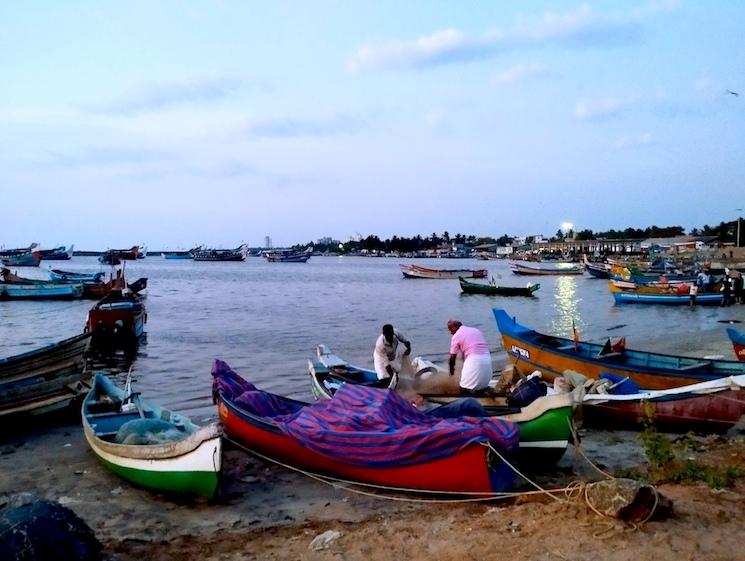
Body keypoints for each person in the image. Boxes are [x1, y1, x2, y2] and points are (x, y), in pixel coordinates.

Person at [447, 320, 492, 395]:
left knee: (463, 389)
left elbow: (452, 358)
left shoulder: (456, 336)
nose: (451, 333)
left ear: (455, 327)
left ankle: (465, 404)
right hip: (487, 360)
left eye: (450, 329)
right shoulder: (476, 330)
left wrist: (451, 373)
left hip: (474, 361)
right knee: (480, 387)